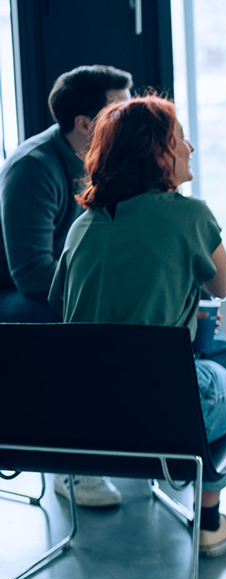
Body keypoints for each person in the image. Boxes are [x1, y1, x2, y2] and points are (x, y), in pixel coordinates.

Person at [47, 96, 226, 557]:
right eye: (178, 138)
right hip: (164, 418)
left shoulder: (80, 228)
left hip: (83, 420)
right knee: (221, 378)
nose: (190, 146)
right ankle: (209, 522)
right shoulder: (187, 214)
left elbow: (65, 310)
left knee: (200, 346)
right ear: (158, 154)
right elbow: (223, 284)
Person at [0, 64, 132, 509]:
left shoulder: (99, 158)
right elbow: (31, 273)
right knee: (83, 327)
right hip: (12, 298)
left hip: (50, 283)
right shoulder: (33, 169)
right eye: (120, 106)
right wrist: (99, 289)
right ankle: (71, 463)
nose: (129, 114)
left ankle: (133, 437)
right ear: (83, 123)